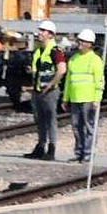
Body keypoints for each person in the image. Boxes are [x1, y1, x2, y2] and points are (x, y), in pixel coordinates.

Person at [23, 20, 67, 161]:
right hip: (38, 91)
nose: (40, 33)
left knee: (50, 119)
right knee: (40, 119)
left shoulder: (55, 51)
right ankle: (41, 146)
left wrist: (51, 85)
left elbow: (61, 70)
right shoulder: (39, 51)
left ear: (50, 34)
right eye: (40, 30)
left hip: (49, 92)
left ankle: (51, 148)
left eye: (43, 31)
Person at [63, 28, 104, 163]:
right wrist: (65, 98)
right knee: (76, 126)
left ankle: (88, 153)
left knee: (88, 126)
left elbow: (99, 81)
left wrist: (97, 99)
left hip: (89, 98)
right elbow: (69, 80)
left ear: (90, 44)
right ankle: (79, 152)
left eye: (83, 41)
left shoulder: (95, 60)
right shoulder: (74, 59)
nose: (80, 43)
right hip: (75, 98)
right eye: (79, 40)